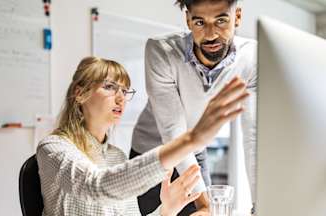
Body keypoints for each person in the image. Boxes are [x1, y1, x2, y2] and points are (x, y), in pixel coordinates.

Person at [36, 57, 248, 216]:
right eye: (110, 87)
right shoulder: (53, 148)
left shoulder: (116, 156)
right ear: (79, 94)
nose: (121, 98)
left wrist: (166, 210)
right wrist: (189, 140)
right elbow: (96, 186)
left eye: (125, 91)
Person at [130, 0, 257, 215]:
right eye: (200, 22)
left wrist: (259, 205)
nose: (210, 34)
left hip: (196, 154)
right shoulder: (162, 51)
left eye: (221, 20)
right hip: (154, 157)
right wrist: (204, 203)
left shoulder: (251, 58)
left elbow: (254, 136)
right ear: (188, 20)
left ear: (237, 17)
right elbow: (173, 132)